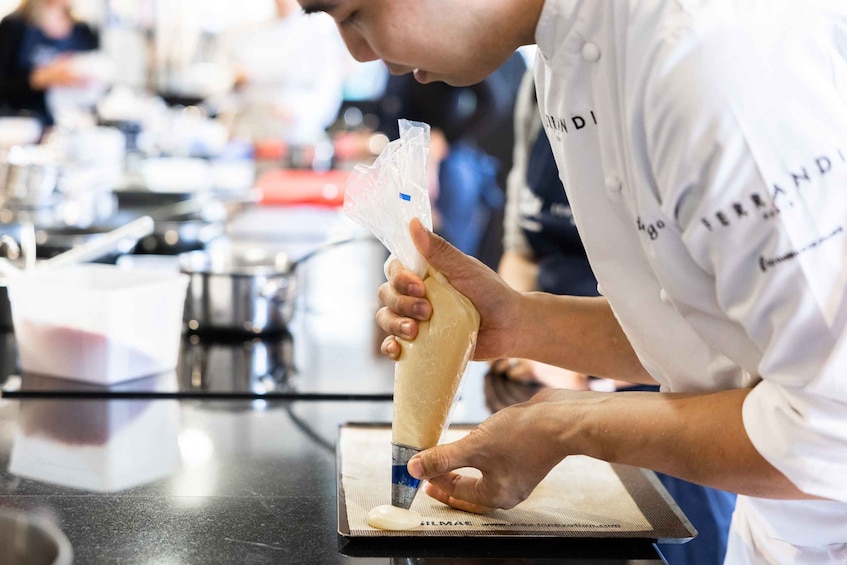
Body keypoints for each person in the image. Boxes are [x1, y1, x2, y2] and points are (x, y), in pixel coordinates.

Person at [297, 0, 847, 562]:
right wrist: (517, 322)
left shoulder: (711, 60)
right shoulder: (565, 60)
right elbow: (717, 335)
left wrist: (568, 425)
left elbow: (832, 429)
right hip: (779, 532)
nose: (358, 50)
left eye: (352, 12)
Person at [491, 69, 735, 565]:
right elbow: (522, 249)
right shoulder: (541, 81)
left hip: (680, 406)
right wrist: (523, 339)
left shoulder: (693, 82)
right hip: (556, 380)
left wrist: (557, 359)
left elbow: (718, 344)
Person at [373, 52, 525, 263]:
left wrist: (444, 137)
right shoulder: (393, 65)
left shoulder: (438, 52)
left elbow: (494, 101)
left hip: (446, 167)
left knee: (450, 261)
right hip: (405, 167)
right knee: (400, 260)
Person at [215, 0, 345, 147]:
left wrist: (294, 110)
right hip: (251, 136)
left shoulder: (320, 34)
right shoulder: (250, 31)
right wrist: (235, 80)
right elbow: (226, 87)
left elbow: (328, 95)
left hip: (298, 139)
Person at [0, 0, 98, 127]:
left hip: (73, 122)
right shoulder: (14, 26)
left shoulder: (83, 30)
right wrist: (43, 77)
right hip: (22, 123)